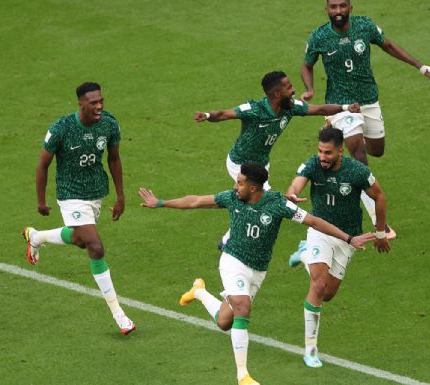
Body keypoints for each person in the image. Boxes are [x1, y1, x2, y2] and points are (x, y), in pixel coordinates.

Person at [139, 163, 375, 385]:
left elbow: (313, 221)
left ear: (253, 187)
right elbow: (196, 201)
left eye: (240, 182)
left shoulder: (278, 204)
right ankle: (243, 376)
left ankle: (199, 292)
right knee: (242, 308)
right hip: (233, 261)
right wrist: (160, 202)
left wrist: (349, 238)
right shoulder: (232, 198)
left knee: (225, 322)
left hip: (258, 270)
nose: (235, 186)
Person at [301, 0, 430, 238]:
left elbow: (388, 45)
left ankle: (340, 129)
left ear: (350, 8)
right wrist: (310, 89)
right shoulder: (319, 36)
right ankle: (380, 223)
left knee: (377, 150)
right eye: (333, 7)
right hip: (341, 104)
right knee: (359, 156)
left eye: (342, 6)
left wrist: (419, 66)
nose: (338, 11)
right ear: (326, 9)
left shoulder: (364, 26)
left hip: (369, 100)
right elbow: (307, 64)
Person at [194, 70, 360, 248]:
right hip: (240, 164)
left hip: (262, 164)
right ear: (276, 93)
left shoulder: (290, 107)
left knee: (250, 200)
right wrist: (208, 115)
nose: (294, 89)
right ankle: (228, 240)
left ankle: (230, 235)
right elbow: (225, 114)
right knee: (263, 200)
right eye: (289, 87)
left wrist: (345, 107)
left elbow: (319, 109)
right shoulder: (255, 110)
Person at [22, 82, 135, 335]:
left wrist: (120, 196)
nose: (99, 106)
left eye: (101, 101)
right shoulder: (61, 128)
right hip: (70, 195)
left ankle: (36, 237)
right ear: (81, 104)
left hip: (96, 193)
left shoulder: (109, 124)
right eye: (93, 103)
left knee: (80, 239)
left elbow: (114, 159)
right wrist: (41, 200)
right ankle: (119, 314)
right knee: (95, 246)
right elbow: (42, 165)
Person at [285, 127, 391, 368]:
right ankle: (310, 350)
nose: (323, 156)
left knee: (328, 294)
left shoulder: (357, 171)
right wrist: (292, 194)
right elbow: (296, 184)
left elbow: (379, 196)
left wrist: (380, 232)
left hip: (348, 238)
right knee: (319, 284)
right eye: (320, 151)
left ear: (341, 152)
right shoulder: (313, 164)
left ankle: (303, 254)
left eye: (328, 153)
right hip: (320, 231)